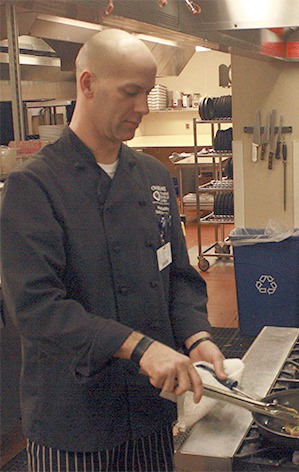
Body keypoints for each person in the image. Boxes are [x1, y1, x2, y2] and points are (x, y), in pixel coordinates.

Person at [0, 28, 226, 471]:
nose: (142, 107)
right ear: (87, 84)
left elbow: (178, 277)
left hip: (150, 410)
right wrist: (139, 347)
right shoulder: (34, 187)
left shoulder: (153, 178)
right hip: (74, 420)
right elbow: (34, 308)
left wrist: (196, 335)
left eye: (148, 92)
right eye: (130, 93)